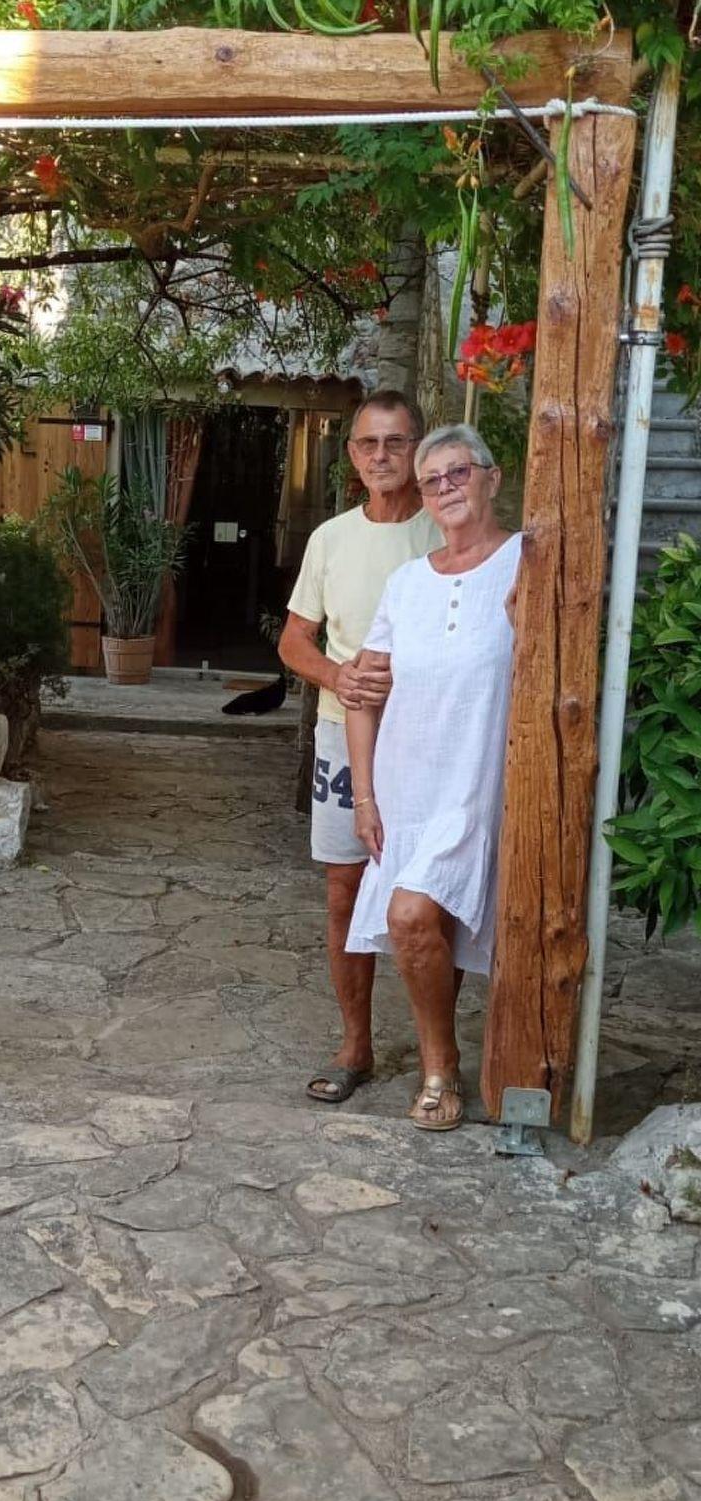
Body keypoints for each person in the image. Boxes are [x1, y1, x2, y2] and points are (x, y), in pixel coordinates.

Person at [344, 423, 521, 1132]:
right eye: (432, 481)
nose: (446, 488)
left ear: (492, 478)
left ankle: (441, 1064)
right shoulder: (408, 584)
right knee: (423, 928)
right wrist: (364, 797)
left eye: (459, 472)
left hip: (477, 787)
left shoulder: (525, 562)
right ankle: (440, 1060)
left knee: (412, 917)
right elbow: (362, 693)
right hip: (407, 789)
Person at [278, 391, 445, 1104]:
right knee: (345, 888)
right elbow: (294, 639)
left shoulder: (444, 531)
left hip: (430, 735)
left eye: (396, 442)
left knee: (432, 892)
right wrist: (337, 676)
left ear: (418, 450)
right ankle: (356, 1045)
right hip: (344, 736)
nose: (382, 455)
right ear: (351, 454)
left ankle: (439, 1056)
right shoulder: (331, 539)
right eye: (369, 443)